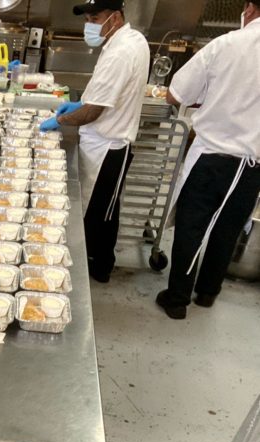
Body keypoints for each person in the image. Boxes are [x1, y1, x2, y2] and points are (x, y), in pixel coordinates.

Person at [155, 1, 260, 319]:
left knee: (192, 225)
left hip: (213, 156)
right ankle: (207, 294)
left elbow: (176, 94)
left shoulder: (227, 44)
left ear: (250, 8)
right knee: (227, 230)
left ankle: (176, 299)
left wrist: (212, 97)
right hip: (253, 165)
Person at [40, 0, 150, 283]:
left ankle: (98, 268)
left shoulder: (122, 51)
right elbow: (100, 97)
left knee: (100, 213)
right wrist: (77, 103)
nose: (90, 24)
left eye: (95, 17)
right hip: (104, 140)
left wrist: (61, 120)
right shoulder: (128, 39)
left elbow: (92, 112)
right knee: (105, 210)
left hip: (109, 147)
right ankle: (100, 262)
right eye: (87, 17)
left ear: (114, 17)